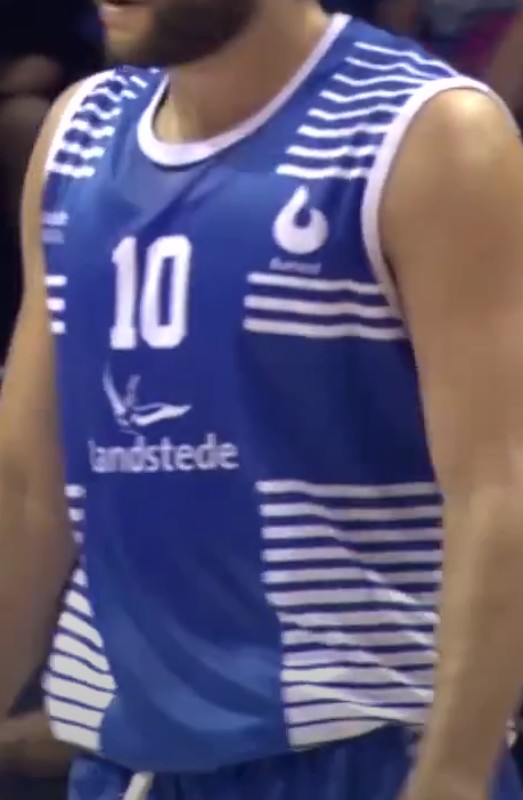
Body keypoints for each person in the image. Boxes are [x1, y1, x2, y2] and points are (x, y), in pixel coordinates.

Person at [3, 1, 523, 799]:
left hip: (364, 756)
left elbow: (498, 491)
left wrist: (451, 777)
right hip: (125, 763)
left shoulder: (429, 133)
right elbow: (27, 490)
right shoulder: (79, 131)